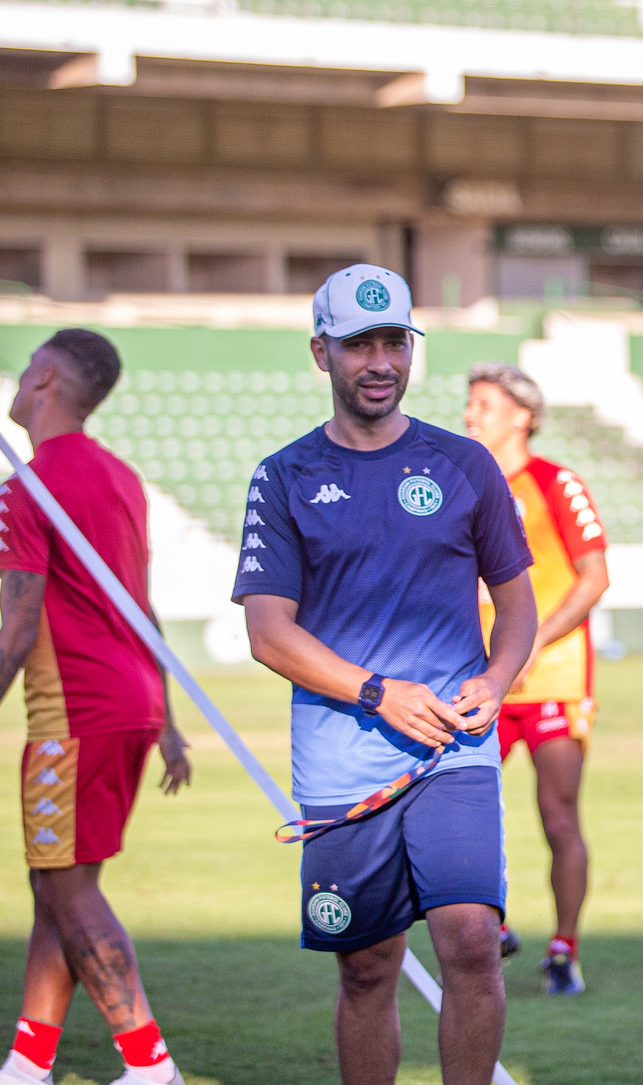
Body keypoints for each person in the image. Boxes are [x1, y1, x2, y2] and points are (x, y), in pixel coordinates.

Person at [235, 265, 538, 1085]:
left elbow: (517, 605)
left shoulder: (466, 464)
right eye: (358, 344)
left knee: (472, 939)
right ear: (320, 353)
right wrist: (377, 692)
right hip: (343, 759)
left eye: (395, 342)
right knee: (366, 966)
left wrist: (498, 677)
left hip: (453, 752)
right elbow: (268, 632)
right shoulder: (283, 476)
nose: (379, 361)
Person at [0, 328, 194, 1085]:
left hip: (75, 711)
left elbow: (18, 628)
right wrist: (169, 718)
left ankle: (150, 1067)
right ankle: (28, 1061)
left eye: (23, 370)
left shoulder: (27, 483)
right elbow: (138, 602)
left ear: (44, 377)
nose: (15, 382)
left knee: (69, 888)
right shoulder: (121, 476)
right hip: (131, 700)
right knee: (57, 881)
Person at [463, 362, 610, 995]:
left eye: (484, 405)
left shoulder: (556, 482)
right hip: (480, 681)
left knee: (558, 818)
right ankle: (487, 929)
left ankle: (563, 950)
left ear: (523, 415)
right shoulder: (459, 484)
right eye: (469, 404)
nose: (471, 415)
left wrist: (532, 642)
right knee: (465, 813)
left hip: (552, 678)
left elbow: (594, 577)